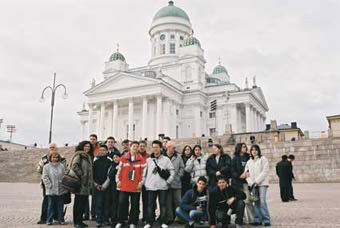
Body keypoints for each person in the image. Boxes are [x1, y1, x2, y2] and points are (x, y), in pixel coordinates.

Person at [144, 140, 175, 228]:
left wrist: (169, 181)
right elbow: (144, 173)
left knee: (163, 204)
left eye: (157, 147)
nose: (155, 149)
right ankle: (149, 222)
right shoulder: (148, 160)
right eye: (153, 147)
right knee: (150, 205)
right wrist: (145, 183)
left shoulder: (166, 159)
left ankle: (163, 221)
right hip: (151, 186)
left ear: (161, 148)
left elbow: (172, 171)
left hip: (162, 186)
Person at [115, 141, 147, 228]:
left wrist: (141, 183)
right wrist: (118, 181)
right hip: (124, 185)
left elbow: (143, 174)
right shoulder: (123, 158)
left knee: (135, 205)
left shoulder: (142, 159)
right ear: (130, 147)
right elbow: (119, 171)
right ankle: (120, 221)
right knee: (122, 204)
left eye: (137, 146)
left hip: (136, 186)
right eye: (134, 146)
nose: (135, 148)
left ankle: (133, 222)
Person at [37, 143, 66, 225]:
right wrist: (48, 184)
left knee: (59, 204)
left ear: (56, 148)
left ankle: (58, 218)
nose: (52, 148)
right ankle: (45, 219)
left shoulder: (62, 159)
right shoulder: (44, 159)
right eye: (50, 147)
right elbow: (40, 170)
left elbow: (65, 171)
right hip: (48, 186)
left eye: (53, 147)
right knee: (47, 203)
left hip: (60, 187)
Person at [244, 144, 271, 226]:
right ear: (251, 152)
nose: (254, 151)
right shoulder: (249, 161)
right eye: (252, 150)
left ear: (258, 151)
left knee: (262, 201)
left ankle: (266, 219)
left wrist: (256, 181)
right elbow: (246, 173)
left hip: (262, 183)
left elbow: (265, 171)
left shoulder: (263, 159)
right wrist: (250, 182)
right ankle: (257, 219)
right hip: (253, 184)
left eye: (255, 150)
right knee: (256, 201)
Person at [231, 143, 255, 225]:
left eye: (245, 147)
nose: (245, 148)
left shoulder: (248, 157)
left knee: (248, 200)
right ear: (239, 148)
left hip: (246, 182)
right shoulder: (234, 158)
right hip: (237, 183)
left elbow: (252, 167)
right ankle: (242, 219)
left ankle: (252, 220)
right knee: (240, 201)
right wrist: (239, 176)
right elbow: (232, 170)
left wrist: (247, 174)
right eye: (243, 147)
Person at [71, 141, 93, 228]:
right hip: (80, 183)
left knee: (83, 203)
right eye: (85, 146)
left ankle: (80, 221)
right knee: (78, 203)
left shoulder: (87, 156)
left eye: (88, 146)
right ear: (81, 147)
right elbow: (74, 166)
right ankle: (76, 222)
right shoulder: (79, 155)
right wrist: (82, 174)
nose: (87, 148)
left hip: (86, 183)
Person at [165, 141, 185, 224]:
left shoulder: (178, 157)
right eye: (173, 148)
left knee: (178, 201)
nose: (174, 149)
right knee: (168, 202)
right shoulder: (163, 157)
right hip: (166, 183)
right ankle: (169, 218)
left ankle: (179, 218)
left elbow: (182, 167)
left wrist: (179, 175)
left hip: (176, 182)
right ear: (168, 147)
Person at [93, 145, 112, 227]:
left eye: (104, 150)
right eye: (100, 150)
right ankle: (99, 220)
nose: (102, 151)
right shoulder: (95, 161)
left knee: (107, 203)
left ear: (107, 151)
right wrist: (96, 184)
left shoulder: (109, 161)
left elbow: (110, 174)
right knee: (98, 203)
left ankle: (106, 219)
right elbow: (93, 174)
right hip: (97, 186)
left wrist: (104, 185)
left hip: (107, 186)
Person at [108, 151, 121, 227]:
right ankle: (113, 220)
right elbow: (110, 176)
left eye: (117, 157)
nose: (115, 159)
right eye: (114, 157)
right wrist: (115, 169)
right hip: (114, 187)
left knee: (122, 204)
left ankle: (121, 219)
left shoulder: (123, 165)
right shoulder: (112, 165)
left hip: (122, 187)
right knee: (114, 203)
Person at [138, 140, 150, 224]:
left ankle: (146, 217)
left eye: (143, 146)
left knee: (146, 200)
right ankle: (135, 217)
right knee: (135, 200)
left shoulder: (149, 156)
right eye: (140, 146)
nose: (141, 147)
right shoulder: (135, 155)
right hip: (136, 181)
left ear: (145, 146)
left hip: (146, 181)